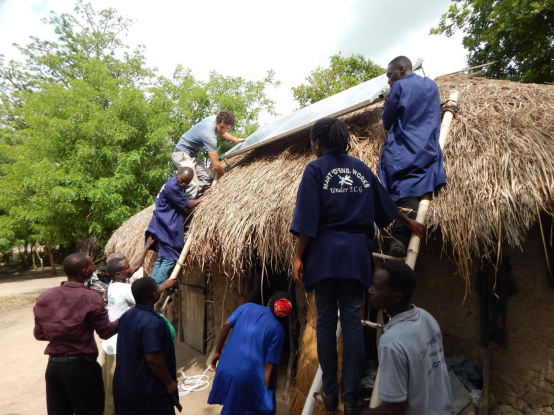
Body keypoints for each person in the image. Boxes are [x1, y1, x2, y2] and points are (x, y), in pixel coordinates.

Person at [289, 118, 424, 414]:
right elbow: (386, 205)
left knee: (325, 321)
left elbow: (308, 222)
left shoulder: (315, 169)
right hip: (355, 256)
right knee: (351, 324)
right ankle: (351, 399)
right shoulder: (361, 170)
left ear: (317, 143)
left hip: (323, 255)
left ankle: (329, 390)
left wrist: (299, 258)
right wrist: (408, 221)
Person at [33, 252, 119, 415]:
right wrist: (127, 318)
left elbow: (39, 334)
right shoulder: (91, 298)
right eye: (91, 266)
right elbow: (106, 332)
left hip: (54, 368)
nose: (93, 269)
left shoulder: (45, 296)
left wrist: (62, 333)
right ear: (85, 271)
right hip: (81, 368)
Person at [378, 56, 446, 257]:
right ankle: (400, 238)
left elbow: (387, 122)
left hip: (407, 149)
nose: (389, 81)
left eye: (390, 75)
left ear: (401, 69)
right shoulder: (431, 85)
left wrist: (386, 106)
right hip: (429, 149)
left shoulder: (398, 88)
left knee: (404, 188)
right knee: (414, 187)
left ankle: (399, 238)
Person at [365, 262, 452, 414]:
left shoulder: (391, 342)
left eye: (377, 287)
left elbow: (393, 409)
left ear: (397, 297)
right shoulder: (426, 318)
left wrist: (363, 412)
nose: (370, 290)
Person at [101, 252, 176, 415]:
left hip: (113, 346)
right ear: (119, 273)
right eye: (128, 268)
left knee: (112, 391)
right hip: (116, 348)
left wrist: (147, 247)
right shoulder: (149, 320)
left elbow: (139, 279)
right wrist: (169, 382)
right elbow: (154, 358)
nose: (132, 268)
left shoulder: (112, 286)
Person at [207, 292, 292, 415]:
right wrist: (266, 393)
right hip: (245, 378)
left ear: (269, 301)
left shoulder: (247, 306)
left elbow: (226, 325)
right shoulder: (278, 330)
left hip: (224, 368)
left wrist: (217, 351)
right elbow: (269, 365)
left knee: (231, 406)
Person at [113, 277, 182, 415]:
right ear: (154, 294)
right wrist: (169, 382)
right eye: (157, 288)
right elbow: (153, 358)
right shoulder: (152, 322)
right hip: (147, 391)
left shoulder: (128, 315)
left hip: (125, 384)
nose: (159, 289)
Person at [146, 167, 206, 286]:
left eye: (186, 183)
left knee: (161, 259)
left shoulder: (175, 185)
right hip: (166, 228)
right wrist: (204, 196)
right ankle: (156, 290)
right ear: (177, 174)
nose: (183, 184)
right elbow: (189, 204)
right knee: (168, 259)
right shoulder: (172, 187)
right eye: (182, 180)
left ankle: (151, 287)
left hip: (162, 227)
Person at [173, 110, 244, 199]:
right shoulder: (209, 135)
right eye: (222, 127)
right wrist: (225, 175)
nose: (224, 130)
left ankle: (195, 197)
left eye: (227, 128)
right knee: (193, 184)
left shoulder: (215, 118)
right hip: (180, 154)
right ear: (217, 121)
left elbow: (221, 132)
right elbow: (216, 166)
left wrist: (235, 139)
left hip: (191, 156)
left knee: (208, 177)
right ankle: (184, 206)